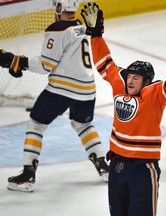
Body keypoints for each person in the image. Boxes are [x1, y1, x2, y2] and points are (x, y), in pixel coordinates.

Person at [80, 3, 166, 215]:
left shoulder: (154, 94)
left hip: (142, 168)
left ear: (146, 81)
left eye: (136, 78)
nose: (130, 81)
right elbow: (106, 64)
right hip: (116, 166)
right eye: (129, 76)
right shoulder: (120, 83)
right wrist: (95, 35)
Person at [0, 0, 109, 192]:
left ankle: (27, 175)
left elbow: (45, 65)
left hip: (62, 89)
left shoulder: (58, 28)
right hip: (87, 88)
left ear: (59, 7)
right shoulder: (82, 27)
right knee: (83, 124)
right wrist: (19, 62)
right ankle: (103, 166)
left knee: (36, 124)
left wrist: (18, 61)